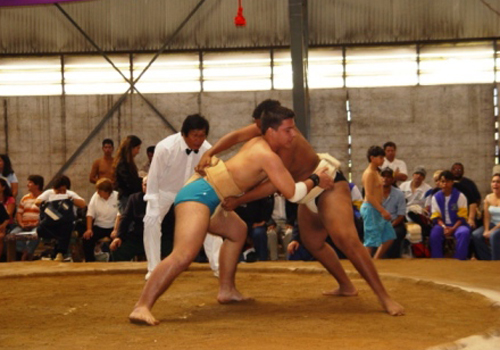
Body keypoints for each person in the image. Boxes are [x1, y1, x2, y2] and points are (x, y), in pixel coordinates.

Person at [129, 106, 335, 326]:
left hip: (213, 197)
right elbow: (293, 193)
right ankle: (142, 306)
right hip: (198, 195)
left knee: (238, 231)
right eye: (288, 130)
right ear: (271, 131)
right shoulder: (267, 155)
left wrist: (215, 160)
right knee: (184, 254)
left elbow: (268, 183)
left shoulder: (265, 145)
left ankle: (226, 290)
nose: (294, 135)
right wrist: (315, 179)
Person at [199, 100, 404, 316]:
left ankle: (385, 298)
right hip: (306, 192)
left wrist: (239, 200)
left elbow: (273, 185)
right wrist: (210, 152)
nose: (256, 132)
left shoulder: (285, 140)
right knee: (313, 242)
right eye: (258, 127)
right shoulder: (266, 132)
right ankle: (346, 286)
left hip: (326, 185)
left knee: (346, 239)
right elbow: (235, 136)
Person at [143, 114, 221, 280]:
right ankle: (154, 269)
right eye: (195, 135)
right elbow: (154, 176)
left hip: (192, 191)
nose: (199, 140)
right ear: (184, 134)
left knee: (210, 221)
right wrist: (153, 203)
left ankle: (219, 266)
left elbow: (213, 176)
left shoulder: (208, 149)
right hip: (164, 190)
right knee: (151, 220)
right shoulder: (165, 147)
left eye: (202, 135)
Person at [35, 175, 86, 261]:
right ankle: (55, 251)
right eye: (59, 190)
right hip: (51, 222)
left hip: (66, 222)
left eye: (64, 190)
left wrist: (71, 200)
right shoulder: (48, 193)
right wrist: (48, 202)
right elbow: (37, 202)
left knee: (66, 227)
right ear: (54, 188)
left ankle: (61, 252)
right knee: (41, 229)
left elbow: (83, 204)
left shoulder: (70, 194)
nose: (61, 192)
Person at [361, 149, 396, 259]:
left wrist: (381, 209)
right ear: (372, 158)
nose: (383, 160)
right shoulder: (369, 173)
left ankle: (375, 260)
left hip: (377, 207)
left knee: (390, 236)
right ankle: (364, 265)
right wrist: (382, 210)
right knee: (370, 240)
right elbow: (369, 195)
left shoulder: (376, 172)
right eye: (381, 157)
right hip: (371, 208)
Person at [429, 170, 471, 260]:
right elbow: (436, 216)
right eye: (443, 181)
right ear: (439, 183)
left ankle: (459, 259)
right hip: (442, 225)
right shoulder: (435, 197)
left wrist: (452, 229)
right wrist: (445, 227)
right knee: (434, 234)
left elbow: (462, 217)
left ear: (452, 182)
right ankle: (437, 259)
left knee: (464, 233)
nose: (445, 184)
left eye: (447, 181)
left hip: (458, 225)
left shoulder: (460, 196)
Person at [110, 176, 148, 261]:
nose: (147, 187)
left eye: (150, 185)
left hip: (159, 237)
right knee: (118, 249)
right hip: (138, 237)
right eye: (145, 185)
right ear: (142, 185)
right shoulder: (134, 198)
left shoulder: (164, 199)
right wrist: (118, 237)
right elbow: (125, 218)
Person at [83, 178, 119, 262]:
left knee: (118, 239)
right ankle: (90, 262)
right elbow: (90, 213)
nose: (98, 193)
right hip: (99, 226)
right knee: (86, 239)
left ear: (107, 192)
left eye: (100, 191)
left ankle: (113, 261)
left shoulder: (117, 196)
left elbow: (119, 215)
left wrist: (116, 230)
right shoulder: (95, 196)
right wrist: (89, 229)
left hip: (113, 226)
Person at [10, 175, 44, 261]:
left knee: (36, 234)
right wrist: (21, 223)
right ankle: (26, 251)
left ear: (37, 185)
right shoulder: (25, 197)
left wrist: (36, 224)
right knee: (11, 236)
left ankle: (26, 254)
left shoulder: (44, 198)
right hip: (23, 225)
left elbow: (46, 216)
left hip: (37, 225)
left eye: (30, 182)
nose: (27, 184)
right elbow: (19, 213)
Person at [471, 173, 500, 260]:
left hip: (498, 226)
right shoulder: (488, 198)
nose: (495, 184)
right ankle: (487, 259)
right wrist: (486, 230)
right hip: (492, 224)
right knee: (476, 235)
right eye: (493, 181)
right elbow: (486, 217)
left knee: (494, 235)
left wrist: (491, 231)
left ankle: (496, 261)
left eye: (498, 182)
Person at [380, 167, 406, 258]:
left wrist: (390, 226)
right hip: (377, 223)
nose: (385, 179)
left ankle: (394, 259)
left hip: (394, 223)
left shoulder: (399, 194)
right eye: (383, 176)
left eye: (388, 177)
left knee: (395, 232)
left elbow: (401, 215)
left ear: (392, 179)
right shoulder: (373, 193)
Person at [113, 135, 142, 212]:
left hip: (129, 197)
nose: (138, 151)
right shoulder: (122, 164)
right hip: (126, 198)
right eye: (137, 148)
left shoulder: (128, 163)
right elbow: (130, 182)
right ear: (131, 148)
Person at [451, 162, 481, 229]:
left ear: (463, 171)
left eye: (459, 170)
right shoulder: (448, 184)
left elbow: (476, 199)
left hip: (467, 212)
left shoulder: (468, 184)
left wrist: (472, 214)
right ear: (451, 171)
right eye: (454, 169)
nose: (457, 171)